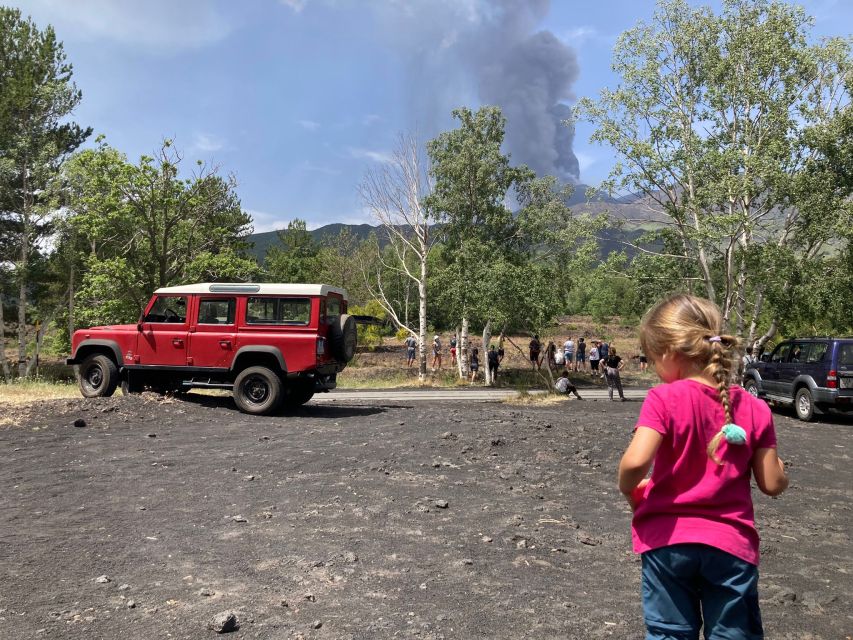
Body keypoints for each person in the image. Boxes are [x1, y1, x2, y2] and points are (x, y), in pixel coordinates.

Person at [618, 294, 788, 640]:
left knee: (669, 632)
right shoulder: (755, 408)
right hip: (730, 544)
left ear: (668, 352)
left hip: (668, 542)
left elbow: (636, 461)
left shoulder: (663, 398)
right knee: (732, 633)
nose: (655, 369)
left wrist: (630, 489)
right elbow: (772, 482)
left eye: (652, 360)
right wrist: (782, 468)